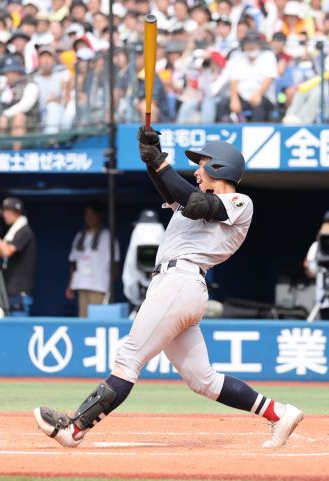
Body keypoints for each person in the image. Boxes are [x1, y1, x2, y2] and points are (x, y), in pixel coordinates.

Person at [34, 127, 303, 450]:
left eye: (202, 164)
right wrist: (152, 158)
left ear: (220, 167)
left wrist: (161, 162)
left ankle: (75, 428)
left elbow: (192, 202)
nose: (196, 171)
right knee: (203, 380)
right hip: (178, 287)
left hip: (181, 283)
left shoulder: (238, 201)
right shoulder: (195, 200)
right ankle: (280, 413)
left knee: (129, 358)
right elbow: (172, 191)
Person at [0, 197, 36, 315]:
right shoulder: (11, 231)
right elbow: (0, 252)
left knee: (18, 331)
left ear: (16, 212)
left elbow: (6, 251)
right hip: (8, 291)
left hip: (19, 293)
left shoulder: (24, 230)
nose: (3, 214)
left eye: (6, 211)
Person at [66, 202, 120, 317]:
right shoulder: (80, 236)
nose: (89, 217)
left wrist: (110, 286)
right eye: (87, 214)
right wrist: (70, 285)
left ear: (100, 215)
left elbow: (114, 264)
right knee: (83, 318)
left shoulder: (108, 237)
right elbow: (74, 262)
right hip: (81, 283)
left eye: (92, 214)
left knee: (97, 320)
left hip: (99, 286)